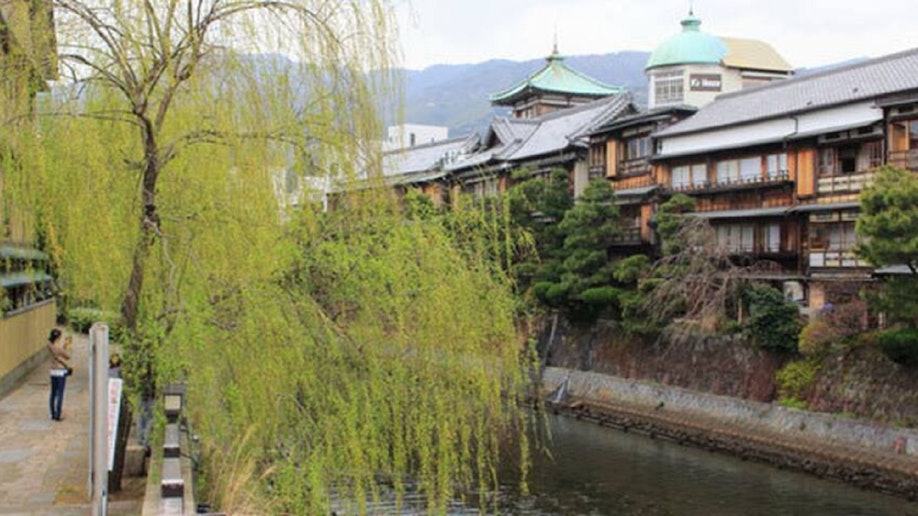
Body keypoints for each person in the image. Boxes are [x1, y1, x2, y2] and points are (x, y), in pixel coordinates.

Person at [47, 329, 71, 421]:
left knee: (53, 393)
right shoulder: (58, 348)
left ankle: (53, 413)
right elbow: (67, 357)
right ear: (58, 337)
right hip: (60, 371)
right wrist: (65, 346)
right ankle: (58, 414)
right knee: (60, 393)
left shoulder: (49, 345)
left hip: (52, 371)